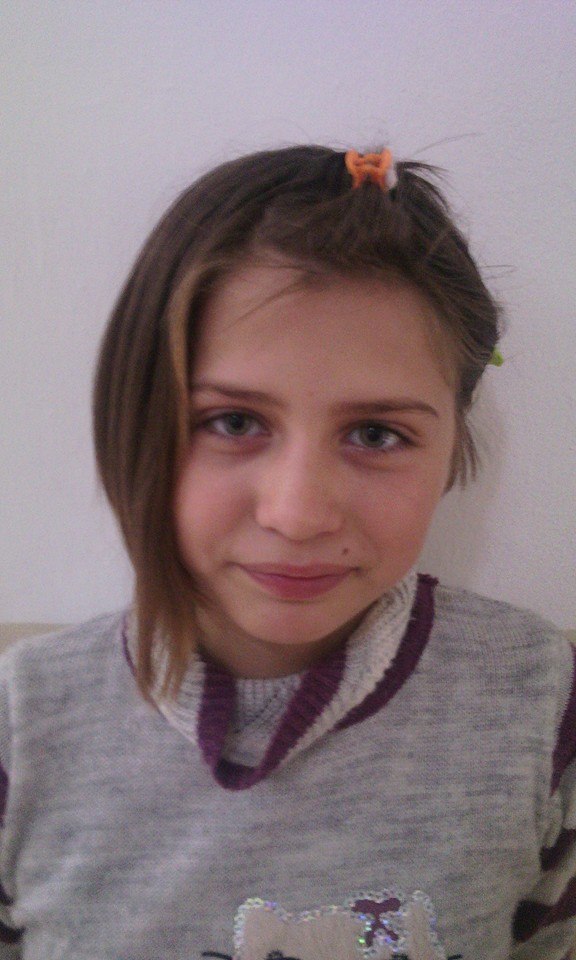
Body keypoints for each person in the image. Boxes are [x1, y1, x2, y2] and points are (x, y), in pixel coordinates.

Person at [0, 145, 573, 960]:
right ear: (134, 421)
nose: (298, 514)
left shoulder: (541, 703)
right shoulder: (22, 727)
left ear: (452, 446)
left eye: (376, 434)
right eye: (233, 422)